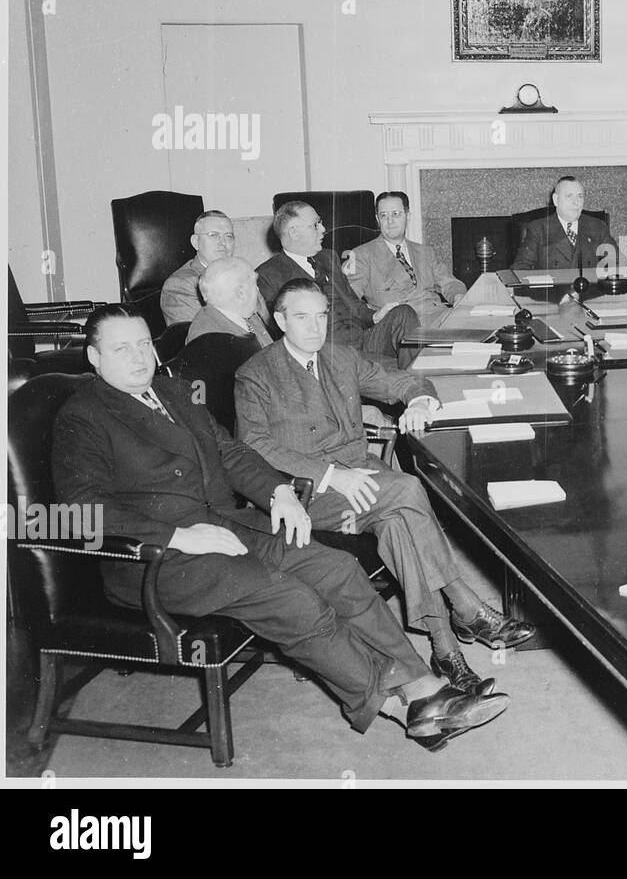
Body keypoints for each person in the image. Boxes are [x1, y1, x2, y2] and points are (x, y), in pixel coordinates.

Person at [53, 305, 508, 752]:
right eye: (121, 349)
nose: (138, 358)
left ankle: (423, 684)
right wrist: (179, 537)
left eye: (143, 345)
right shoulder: (84, 415)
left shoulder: (172, 391)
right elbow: (82, 507)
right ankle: (401, 704)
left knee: (337, 568)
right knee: (293, 599)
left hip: (226, 525)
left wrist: (278, 493)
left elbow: (232, 454)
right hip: (156, 558)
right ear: (94, 357)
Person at [234, 279, 535, 693]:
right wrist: (331, 475)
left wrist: (420, 400)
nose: (315, 327)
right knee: (409, 488)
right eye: (302, 317)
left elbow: (399, 380)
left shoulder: (340, 357)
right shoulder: (255, 374)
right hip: (307, 493)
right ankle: (466, 604)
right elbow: (254, 445)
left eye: (322, 315)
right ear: (280, 319)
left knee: (397, 525)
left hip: (366, 478)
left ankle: (446, 650)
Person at [257, 200, 418, 368]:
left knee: (403, 313)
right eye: (315, 224)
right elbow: (283, 335)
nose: (323, 229)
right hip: (330, 356)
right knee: (398, 367)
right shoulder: (269, 275)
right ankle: (410, 377)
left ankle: (412, 374)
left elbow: (353, 303)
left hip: (362, 340)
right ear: (294, 232)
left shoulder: (329, 257)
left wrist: (374, 316)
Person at [344, 191, 466, 325]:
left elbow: (449, 283)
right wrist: (373, 315)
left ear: (408, 216)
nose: (390, 221)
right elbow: (347, 298)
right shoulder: (361, 255)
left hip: (439, 317)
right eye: (384, 215)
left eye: (396, 214)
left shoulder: (425, 252)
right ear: (378, 220)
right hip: (401, 325)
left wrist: (457, 296)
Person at [162, 210, 269, 326]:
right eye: (213, 235)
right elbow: (203, 339)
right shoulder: (181, 286)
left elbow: (266, 324)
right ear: (195, 242)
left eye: (228, 236)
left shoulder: (243, 273)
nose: (223, 242)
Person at [511, 176, 619, 271]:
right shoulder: (538, 229)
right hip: (554, 292)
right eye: (569, 196)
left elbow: (618, 264)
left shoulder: (597, 226)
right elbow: (520, 268)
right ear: (556, 200)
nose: (576, 202)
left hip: (589, 292)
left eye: (580, 196)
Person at [186, 257, 276, 346]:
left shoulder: (249, 317)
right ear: (240, 293)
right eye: (254, 285)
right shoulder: (209, 335)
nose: (257, 291)